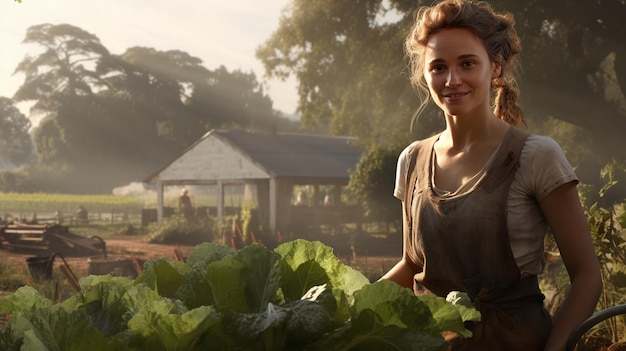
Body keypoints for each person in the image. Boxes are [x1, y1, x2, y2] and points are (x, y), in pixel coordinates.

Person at [380, 1, 602, 350]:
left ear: (495, 67)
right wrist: (345, 310)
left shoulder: (536, 156)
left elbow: (587, 276)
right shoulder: (412, 160)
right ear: (425, 76)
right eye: (438, 67)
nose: (452, 80)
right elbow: (412, 265)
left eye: (467, 63)